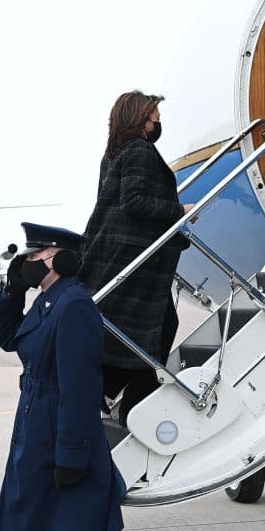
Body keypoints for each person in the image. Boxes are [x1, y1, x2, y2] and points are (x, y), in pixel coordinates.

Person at [0, 222, 126, 531]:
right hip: (38, 431)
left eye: (35, 256)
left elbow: (80, 389)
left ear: (60, 259)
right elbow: (11, 338)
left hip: (59, 437)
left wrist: (71, 456)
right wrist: (13, 290)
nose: (28, 262)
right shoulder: (48, 300)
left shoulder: (75, 305)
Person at [79, 91, 192, 426]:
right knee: (158, 332)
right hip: (135, 258)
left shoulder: (113, 152)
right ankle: (131, 406)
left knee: (119, 332)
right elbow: (134, 202)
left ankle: (105, 393)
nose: (158, 122)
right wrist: (179, 212)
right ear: (140, 118)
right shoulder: (141, 150)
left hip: (109, 251)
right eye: (154, 116)